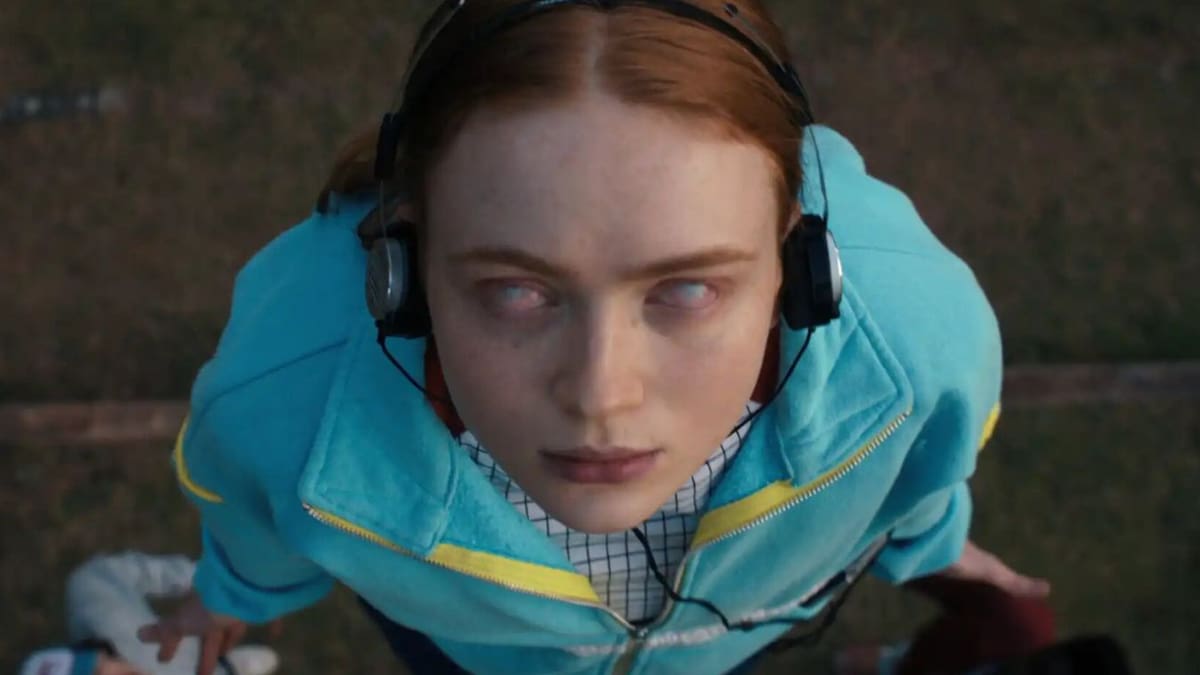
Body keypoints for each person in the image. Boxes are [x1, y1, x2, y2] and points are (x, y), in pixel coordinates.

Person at [138, 1, 1050, 673]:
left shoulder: (921, 349)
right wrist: (233, 594)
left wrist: (929, 537)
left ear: (801, 265)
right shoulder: (283, 406)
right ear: (402, 271)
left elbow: (921, 464)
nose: (601, 394)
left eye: (686, 288)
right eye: (516, 290)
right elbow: (254, 510)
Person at [18, 552, 279, 675]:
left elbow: (101, 576)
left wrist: (212, 583)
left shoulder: (98, 602)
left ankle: (227, 663)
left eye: (95, 671)